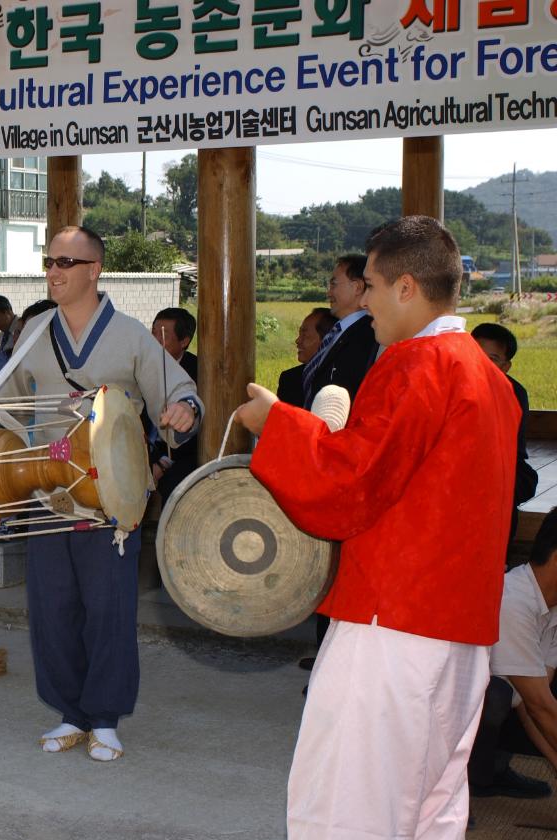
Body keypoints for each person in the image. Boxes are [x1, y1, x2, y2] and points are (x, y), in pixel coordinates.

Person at [234, 215, 519, 839]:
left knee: (350, 806)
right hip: (460, 629)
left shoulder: (419, 364)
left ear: (407, 288)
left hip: (394, 622)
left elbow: (351, 483)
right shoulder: (487, 376)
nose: (362, 299)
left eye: (370, 284)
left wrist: (277, 424)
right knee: (432, 807)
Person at [0, 226, 201, 762]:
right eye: (48, 261)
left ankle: (104, 717)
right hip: (48, 494)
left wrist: (183, 410)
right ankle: (69, 712)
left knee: (107, 609)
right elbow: (6, 403)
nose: (54, 271)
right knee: (52, 609)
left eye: (66, 261)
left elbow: (178, 391)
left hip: (113, 499)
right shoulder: (34, 331)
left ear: (94, 270)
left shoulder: (132, 336)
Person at [467, 507, 557, 800]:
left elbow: (536, 708)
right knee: (497, 695)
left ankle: (492, 768)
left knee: (519, 695)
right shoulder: (513, 599)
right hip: (447, 708)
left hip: (509, 707)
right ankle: (462, 784)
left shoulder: (552, 609)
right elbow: (539, 706)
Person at [472, 322, 539, 536]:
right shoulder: (452, 382)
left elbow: (512, 449)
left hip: (499, 464)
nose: (481, 363)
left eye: (492, 359)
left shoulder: (515, 393)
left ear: (505, 367)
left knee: (507, 484)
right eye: (476, 354)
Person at [301, 254, 379, 406]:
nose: (328, 293)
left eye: (334, 285)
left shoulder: (369, 335)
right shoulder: (338, 331)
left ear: (357, 287)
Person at [148, 307, 200, 503]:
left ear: (184, 341)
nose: (154, 341)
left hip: (179, 454)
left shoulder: (198, 371)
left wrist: (162, 464)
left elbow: (195, 432)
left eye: (163, 335)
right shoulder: (142, 366)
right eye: (152, 333)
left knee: (176, 486)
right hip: (145, 449)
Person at [276, 308, 338, 408]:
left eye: (305, 335)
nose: (298, 340)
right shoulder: (289, 379)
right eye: (299, 334)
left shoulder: (337, 378)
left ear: (327, 339)